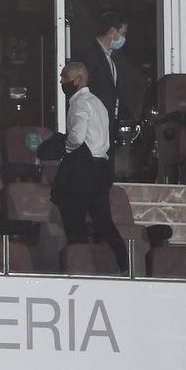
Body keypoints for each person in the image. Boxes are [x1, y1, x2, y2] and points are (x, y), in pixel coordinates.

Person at [51, 61, 127, 273]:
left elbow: (77, 136)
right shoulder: (98, 103)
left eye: (65, 77)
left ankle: (77, 268)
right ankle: (124, 265)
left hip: (84, 169)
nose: (61, 81)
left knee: (74, 223)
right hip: (101, 167)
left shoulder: (80, 103)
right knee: (104, 222)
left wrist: (65, 149)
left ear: (79, 79)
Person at [74, 11, 126, 152]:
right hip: (93, 127)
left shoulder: (109, 58)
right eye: (123, 34)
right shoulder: (90, 56)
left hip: (106, 125)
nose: (123, 38)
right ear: (112, 31)